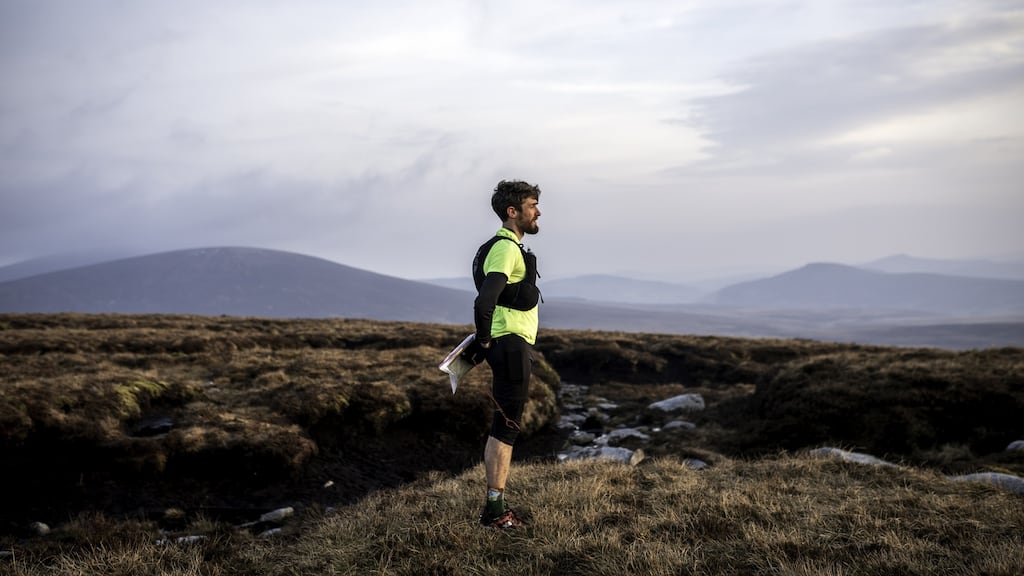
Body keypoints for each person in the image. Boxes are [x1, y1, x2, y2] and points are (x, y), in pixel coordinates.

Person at [460, 179, 542, 529]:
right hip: (508, 343)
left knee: (505, 424)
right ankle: (495, 511)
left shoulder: (508, 247)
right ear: (513, 212)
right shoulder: (506, 248)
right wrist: (485, 339)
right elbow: (485, 300)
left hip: (509, 343)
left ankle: (496, 506)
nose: (538, 212)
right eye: (532, 205)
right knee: (506, 427)